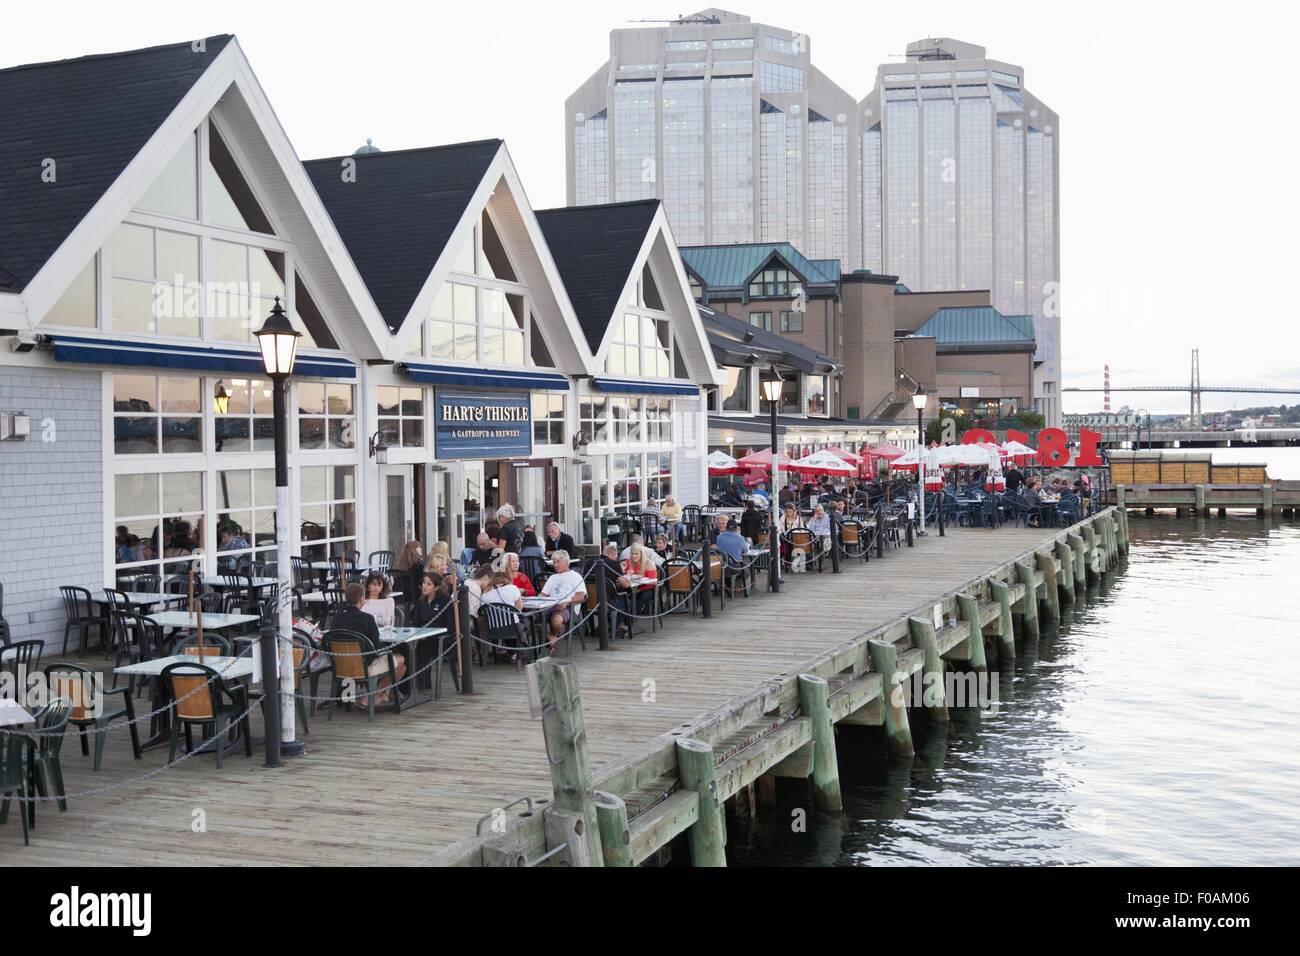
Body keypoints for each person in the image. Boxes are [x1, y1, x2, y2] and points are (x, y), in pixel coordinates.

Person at [330, 582, 406, 706]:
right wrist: (389, 649)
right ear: (362, 599)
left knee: (394, 662)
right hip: (363, 667)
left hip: (341, 666)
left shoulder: (336, 619)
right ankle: (372, 697)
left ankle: (382, 695)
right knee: (401, 662)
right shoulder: (367, 619)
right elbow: (375, 649)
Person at [538, 550, 586, 651]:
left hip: (568, 607)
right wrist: (537, 600)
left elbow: (581, 596)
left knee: (556, 620)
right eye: (554, 562)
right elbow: (542, 594)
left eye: (558, 562)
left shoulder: (575, 576)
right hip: (549, 605)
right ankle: (551, 638)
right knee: (528, 618)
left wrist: (567, 602)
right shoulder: (552, 577)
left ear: (566, 561)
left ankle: (552, 637)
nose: (555, 565)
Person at [621, 543, 659, 616]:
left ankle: (629, 618)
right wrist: (625, 572)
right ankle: (628, 617)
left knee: (643, 596)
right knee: (623, 594)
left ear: (641, 554)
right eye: (632, 553)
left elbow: (652, 582)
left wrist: (640, 590)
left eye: (636, 554)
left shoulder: (649, 563)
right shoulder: (628, 562)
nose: (634, 556)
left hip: (648, 589)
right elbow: (620, 574)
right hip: (631, 588)